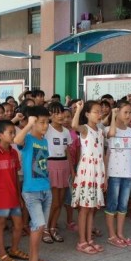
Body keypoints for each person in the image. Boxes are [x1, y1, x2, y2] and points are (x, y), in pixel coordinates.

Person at [14, 106, 61, 261]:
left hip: (45, 189)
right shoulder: (27, 139)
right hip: (31, 191)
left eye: (47, 122)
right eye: (41, 122)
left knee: (40, 227)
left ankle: (35, 258)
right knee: (39, 225)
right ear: (33, 122)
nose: (45, 126)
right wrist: (28, 125)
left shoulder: (44, 141)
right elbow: (17, 140)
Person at [0, 120, 27, 261]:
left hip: (13, 195)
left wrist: (19, 195)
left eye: (14, 132)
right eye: (10, 132)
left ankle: (14, 249)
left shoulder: (14, 152)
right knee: (1, 223)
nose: (13, 135)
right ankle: (2, 254)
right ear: (0, 135)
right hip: (0, 195)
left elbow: (15, 175)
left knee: (18, 224)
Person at [70, 100, 107, 254]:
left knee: (92, 208)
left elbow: (102, 154)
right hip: (87, 171)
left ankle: (89, 239)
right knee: (84, 208)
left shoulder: (100, 131)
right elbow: (74, 125)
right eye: (96, 111)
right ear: (87, 114)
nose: (99, 114)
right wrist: (78, 109)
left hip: (97, 171)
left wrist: (105, 176)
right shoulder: (85, 128)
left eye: (100, 111)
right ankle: (81, 241)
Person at [104, 102, 131, 248]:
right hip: (114, 173)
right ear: (117, 112)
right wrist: (105, 175)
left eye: (130, 112)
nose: (128, 115)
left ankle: (120, 233)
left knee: (123, 205)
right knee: (112, 204)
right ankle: (112, 235)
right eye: (125, 112)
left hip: (128, 174)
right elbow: (107, 154)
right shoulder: (108, 130)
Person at [43, 102, 73, 243]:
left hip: (64, 165)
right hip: (51, 165)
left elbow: (67, 152)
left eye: (60, 112)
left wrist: (72, 170)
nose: (59, 116)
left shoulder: (66, 131)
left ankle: (53, 227)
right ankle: (45, 229)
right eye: (55, 113)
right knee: (53, 202)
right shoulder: (46, 129)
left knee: (60, 201)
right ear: (49, 115)